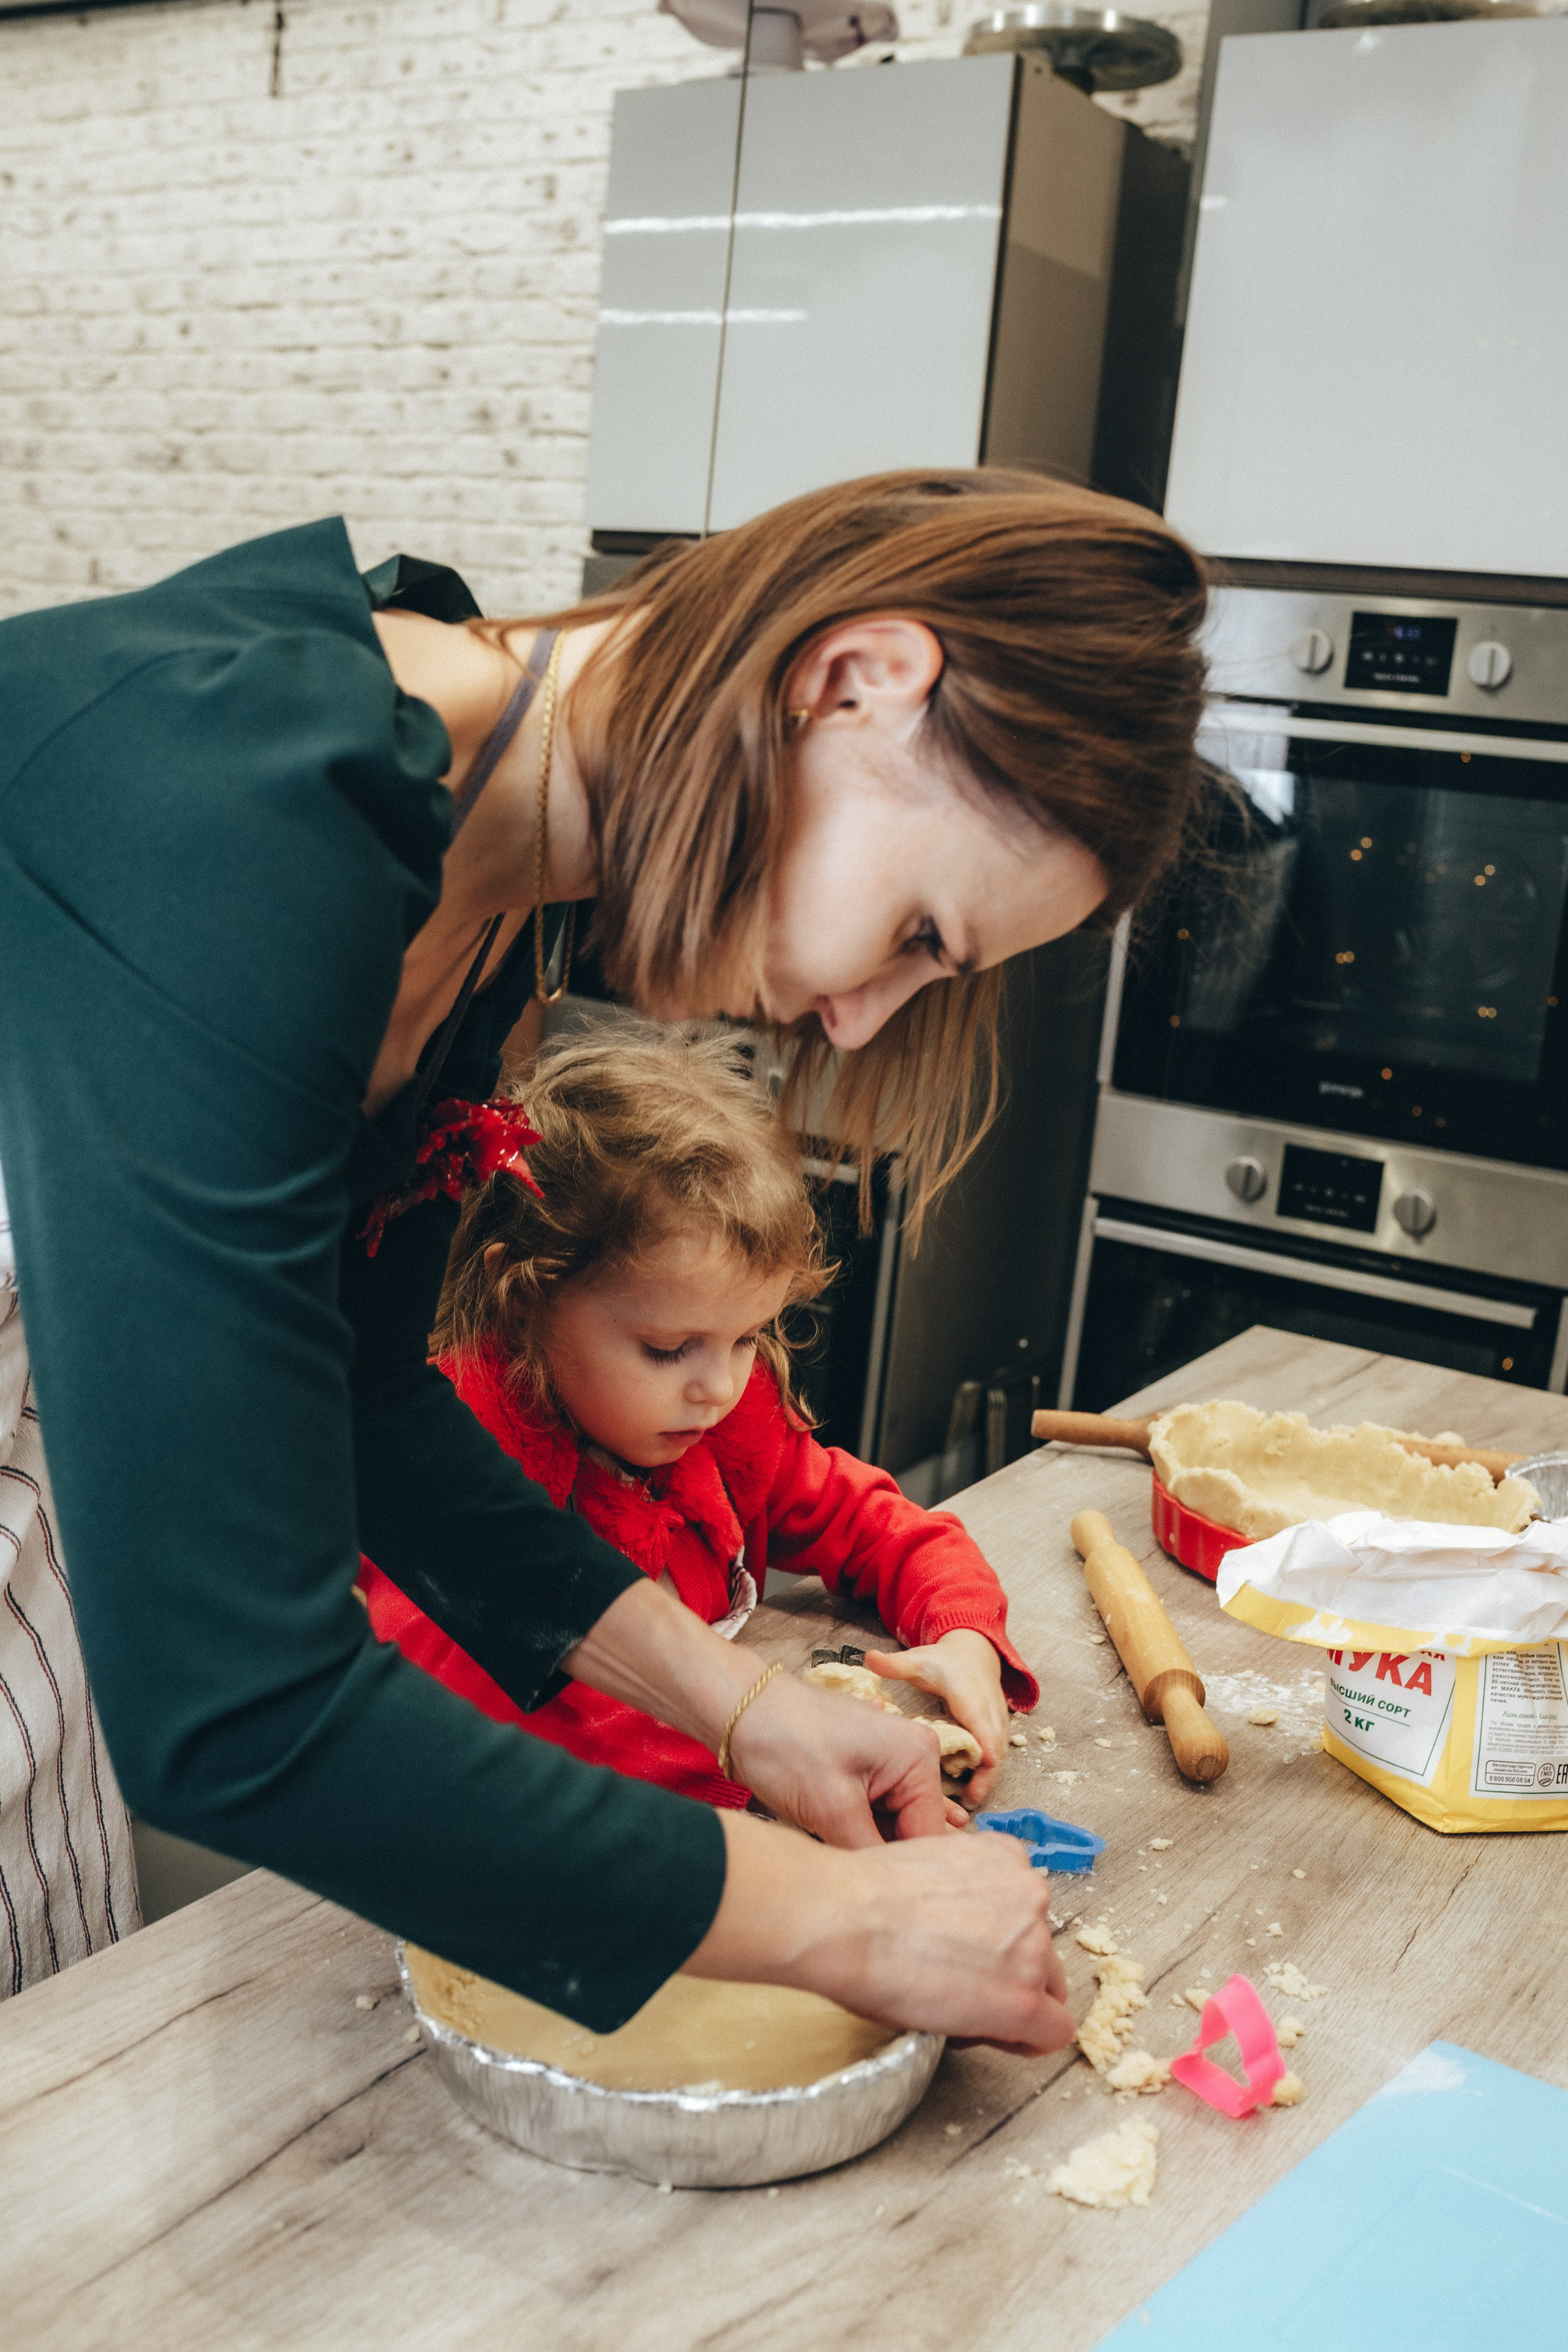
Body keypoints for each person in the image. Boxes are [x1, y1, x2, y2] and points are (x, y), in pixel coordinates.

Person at [0, 467, 1207, 2038]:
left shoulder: (482, 901)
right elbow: (237, 1705)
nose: (855, 1016)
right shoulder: (244, 802)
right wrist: (837, 1918)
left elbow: (358, 1401)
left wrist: (740, 1703)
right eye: (918, 935)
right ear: (854, 684)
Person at [361, 1027, 1039, 1810]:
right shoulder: (447, 1479)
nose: (716, 1387)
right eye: (668, 1348)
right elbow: (490, 1746)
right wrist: (764, 1756)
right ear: (526, 1302)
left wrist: (960, 1638)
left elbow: (879, 1526)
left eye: (746, 1337)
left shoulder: (721, 1432)